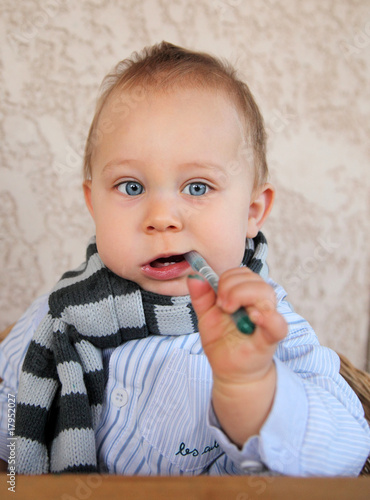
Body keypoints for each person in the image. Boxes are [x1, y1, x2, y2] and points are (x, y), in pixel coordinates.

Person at [0, 42, 369, 476]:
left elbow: (348, 454)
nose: (161, 218)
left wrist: (251, 385)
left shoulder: (266, 328)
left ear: (252, 212)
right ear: (93, 203)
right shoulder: (56, 316)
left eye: (197, 187)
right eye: (131, 187)